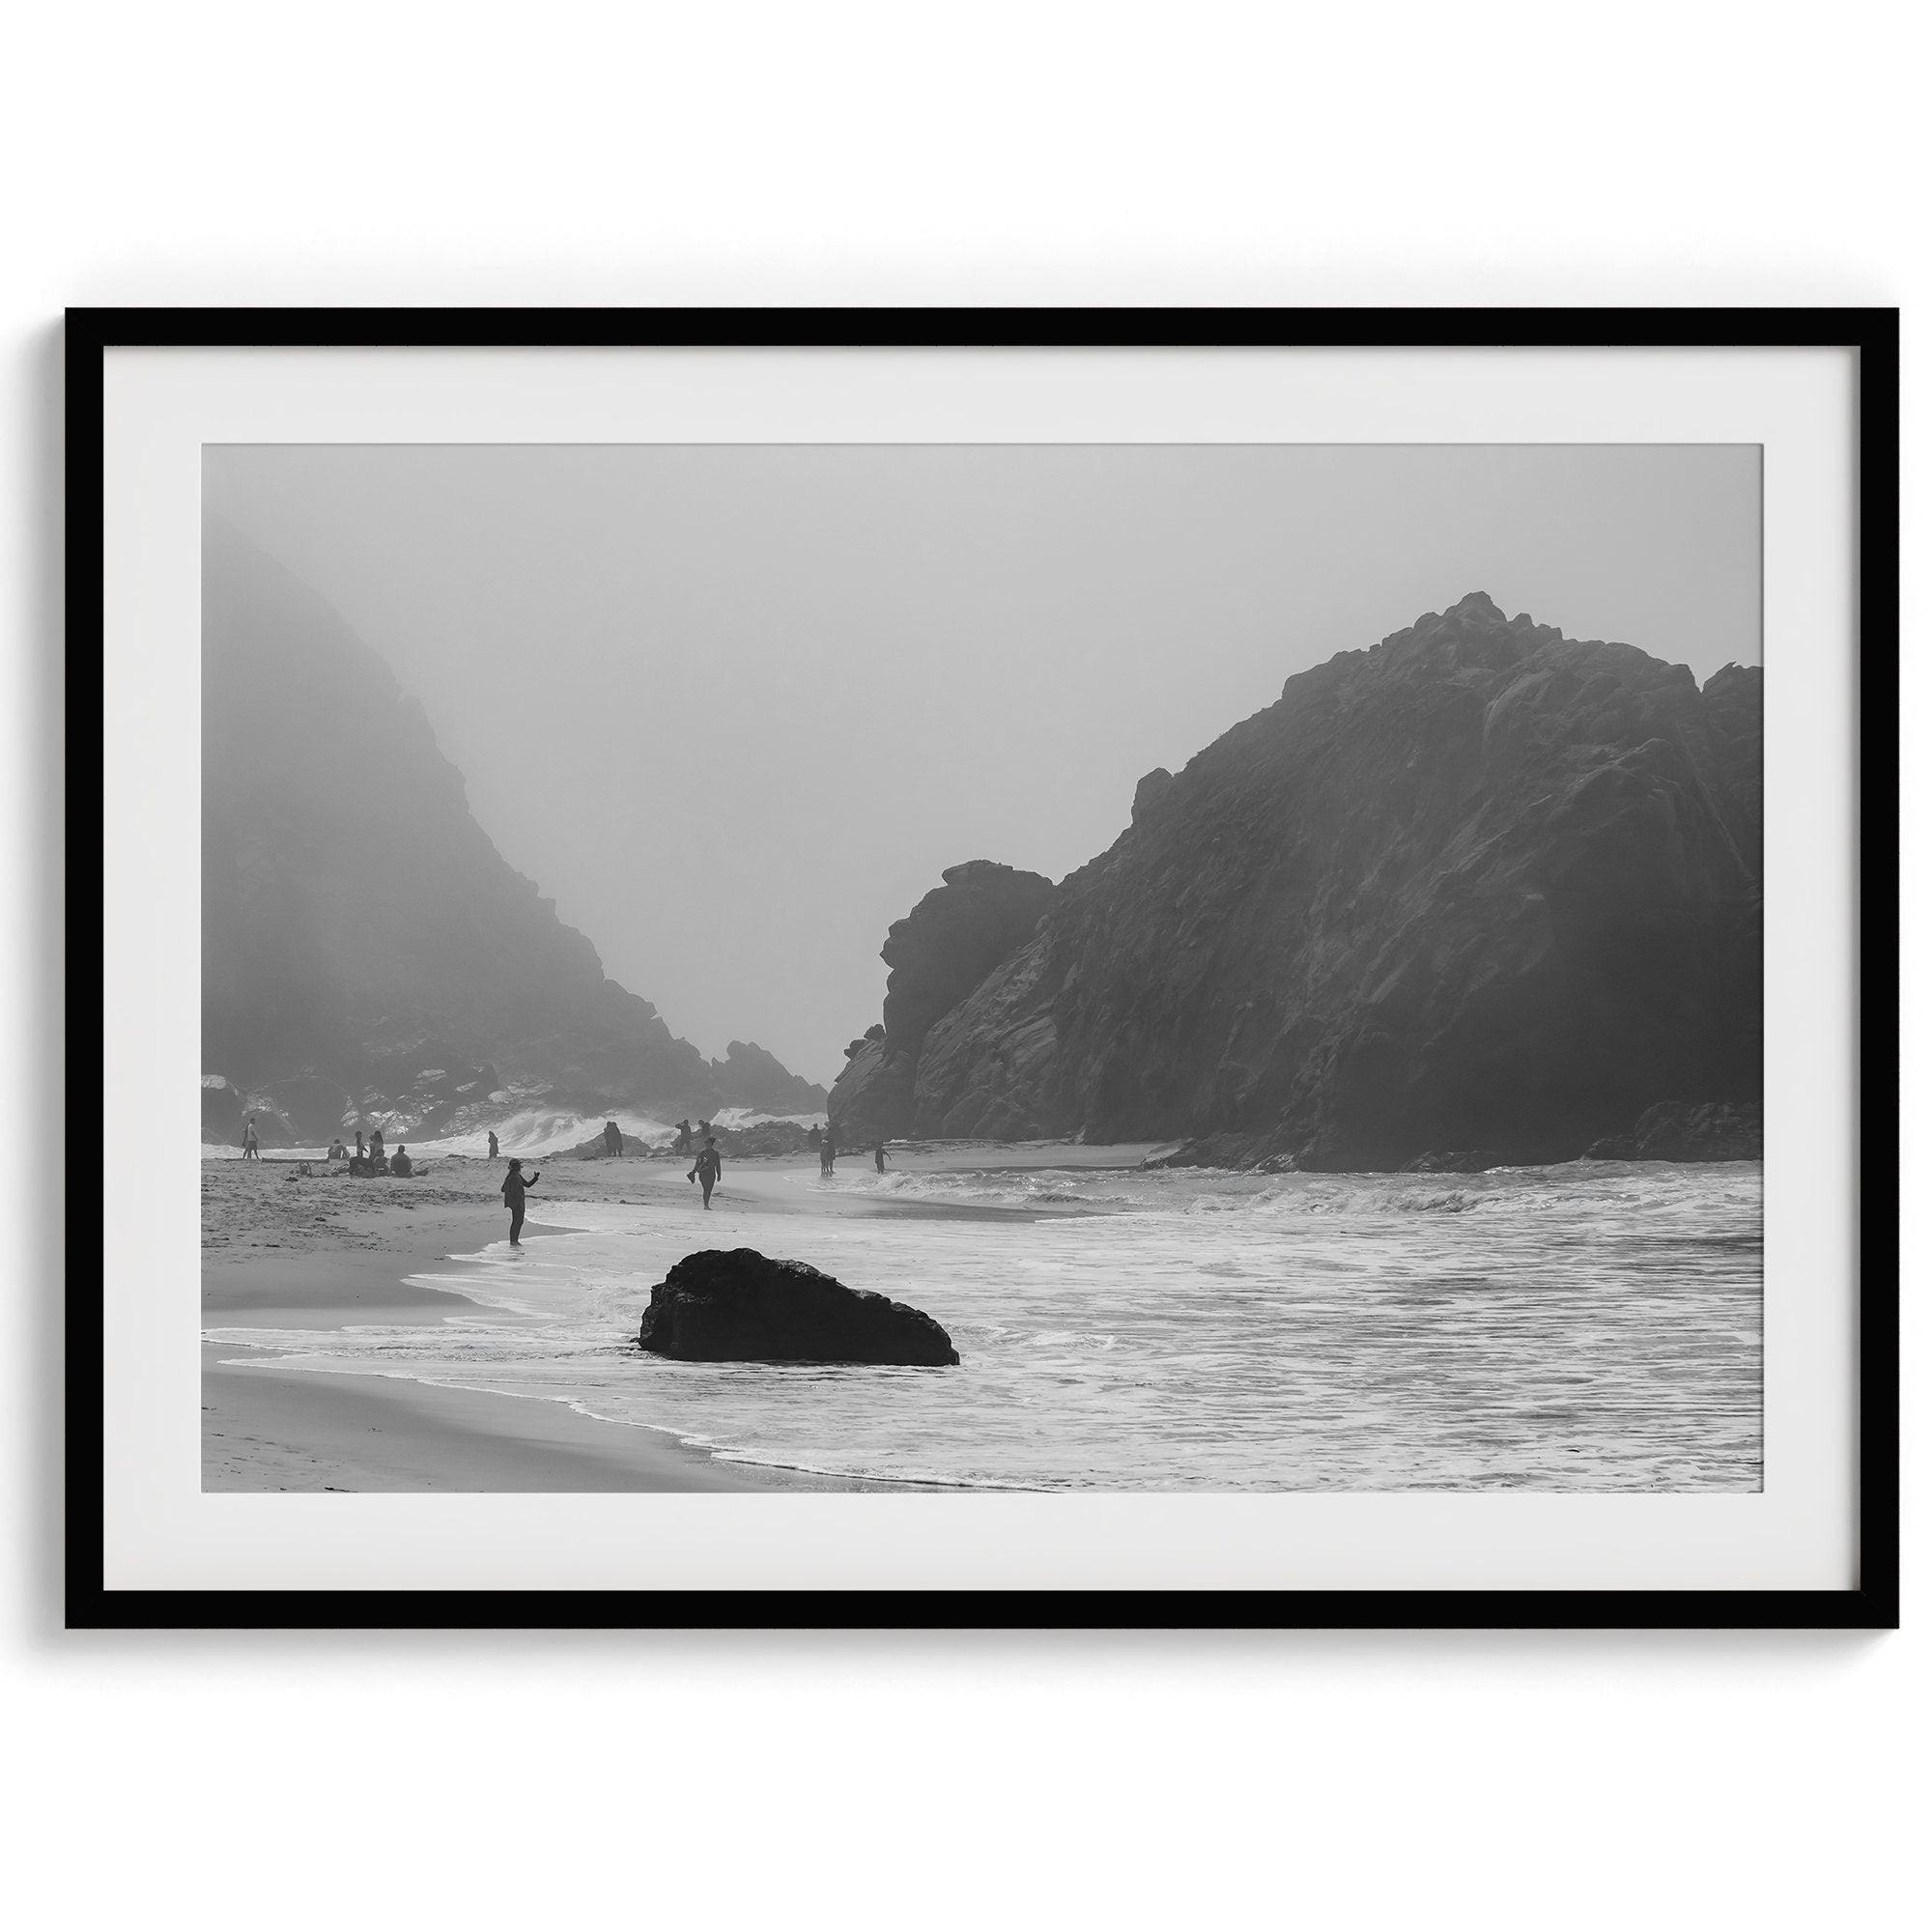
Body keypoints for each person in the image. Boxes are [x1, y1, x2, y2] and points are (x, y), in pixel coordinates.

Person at [500, 1157, 541, 1246]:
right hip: (517, 1202)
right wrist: (517, 1199)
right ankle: (514, 1241)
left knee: (517, 1221)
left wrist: (535, 1178)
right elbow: (519, 1189)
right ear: (517, 1167)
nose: (520, 1167)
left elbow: (503, 1189)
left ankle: (514, 1240)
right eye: (519, 1166)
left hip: (515, 1202)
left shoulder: (512, 1176)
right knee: (518, 1221)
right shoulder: (514, 1176)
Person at [689, 1134, 723, 1208]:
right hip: (703, 1173)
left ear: (711, 1143)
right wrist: (694, 1172)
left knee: (709, 1190)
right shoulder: (702, 1152)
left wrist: (719, 1174)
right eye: (705, 1142)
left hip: (712, 1174)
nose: (705, 1143)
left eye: (707, 1142)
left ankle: (706, 1205)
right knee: (706, 1189)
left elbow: (718, 1164)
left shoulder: (715, 1153)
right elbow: (698, 1163)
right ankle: (706, 1205)